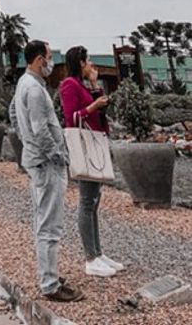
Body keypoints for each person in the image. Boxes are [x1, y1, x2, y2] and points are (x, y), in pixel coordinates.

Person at [9, 39, 84, 304]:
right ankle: (50, 284)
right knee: (50, 225)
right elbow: (40, 128)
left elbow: (14, 116)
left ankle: (48, 273)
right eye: (49, 58)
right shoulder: (35, 89)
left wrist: (25, 141)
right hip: (46, 163)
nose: (51, 63)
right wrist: (59, 155)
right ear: (40, 59)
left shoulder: (23, 84)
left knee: (44, 219)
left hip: (36, 160)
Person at [59, 45, 124, 277]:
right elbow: (70, 118)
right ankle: (90, 257)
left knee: (94, 200)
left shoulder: (82, 85)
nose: (91, 66)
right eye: (88, 61)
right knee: (87, 201)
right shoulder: (69, 85)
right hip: (84, 146)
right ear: (80, 62)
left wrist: (95, 87)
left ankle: (98, 252)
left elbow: (97, 111)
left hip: (94, 143)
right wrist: (92, 106)